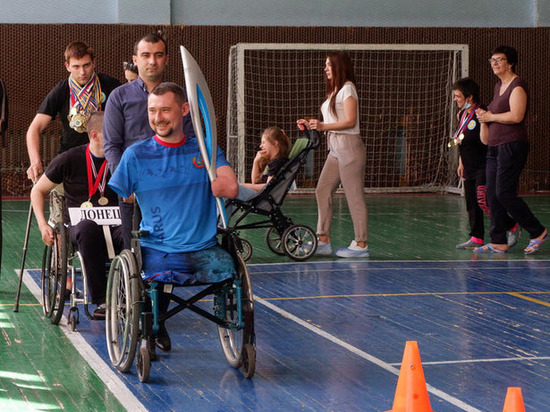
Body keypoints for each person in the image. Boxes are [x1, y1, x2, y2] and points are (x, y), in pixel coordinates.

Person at [108, 82, 238, 351]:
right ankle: (154, 327)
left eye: (166, 110)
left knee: (230, 268)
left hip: (204, 249)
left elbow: (231, 187)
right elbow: (124, 196)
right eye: (152, 111)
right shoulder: (135, 155)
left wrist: (220, 183)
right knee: (150, 278)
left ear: (185, 110)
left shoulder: (205, 151)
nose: (158, 118)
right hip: (158, 250)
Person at [103, 32, 195, 249]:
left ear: (167, 59)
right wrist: (126, 186)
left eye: (158, 55)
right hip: (135, 190)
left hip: (173, 189)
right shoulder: (119, 97)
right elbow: (112, 146)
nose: (152, 61)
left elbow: (190, 142)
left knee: (173, 251)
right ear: (135, 60)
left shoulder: (181, 97)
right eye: (145, 55)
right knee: (135, 255)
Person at [30, 112, 124, 319]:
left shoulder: (121, 157)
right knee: (87, 226)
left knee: (133, 232)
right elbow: (38, 190)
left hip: (116, 224)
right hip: (82, 227)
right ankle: (101, 300)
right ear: (95, 135)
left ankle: (131, 294)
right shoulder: (70, 158)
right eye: (112, 133)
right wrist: (42, 225)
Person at [475, 45, 547, 255]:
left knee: (504, 193)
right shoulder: (498, 87)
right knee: (491, 195)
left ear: (510, 63)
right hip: (494, 148)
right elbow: (491, 121)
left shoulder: (517, 86)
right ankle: (498, 241)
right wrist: (483, 119)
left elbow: (516, 116)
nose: (494, 63)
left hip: (512, 146)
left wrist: (490, 116)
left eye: (499, 59)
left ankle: (538, 231)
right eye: (492, 60)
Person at [297, 51, 369, 258]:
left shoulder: (348, 89)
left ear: (339, 66)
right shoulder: (334, 91)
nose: (325, 68)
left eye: (329, 65)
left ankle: (361, 244)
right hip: (335, 147)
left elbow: (350, 121)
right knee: (322, 190)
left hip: (349, 147)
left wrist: (322, 125)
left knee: (353, 196)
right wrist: (310, 122)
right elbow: (329, 121)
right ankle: (323, 240)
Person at [26, 41, 121, 182]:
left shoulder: (111, 85)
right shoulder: (61, 90)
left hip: (106, 158)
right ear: (67, 66)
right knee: (60, 201)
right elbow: (35, 128)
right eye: (76, 66)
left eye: (86, 65)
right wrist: (35, 162)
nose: (82, 72)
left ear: (94, 63)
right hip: (70, 158)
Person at [450, 78, 489, 249]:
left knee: (483, 201)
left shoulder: (482, 112)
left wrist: (484, 121)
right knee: (471, 203)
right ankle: (476, 238)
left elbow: (486, 141)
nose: (455, 99)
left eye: (458, 96)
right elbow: (462, 140)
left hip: (483, 164)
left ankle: (510, 225)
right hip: (468, 165)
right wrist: (461, 162)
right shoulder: (462, 114)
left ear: (470, 97)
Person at [235, 126, 291, 202]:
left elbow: (268, 187)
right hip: (260, 195)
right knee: (228, 189)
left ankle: (220, 214)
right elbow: (255, 181)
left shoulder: (278, 163)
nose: (260, 146)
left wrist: (242, 185)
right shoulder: (273, 162)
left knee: (228, 189)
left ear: (274, 143)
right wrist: (256, 161)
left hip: (263, 197)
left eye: (264, 142)